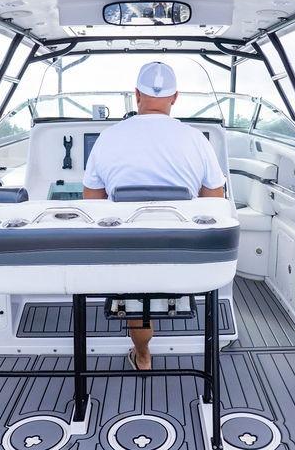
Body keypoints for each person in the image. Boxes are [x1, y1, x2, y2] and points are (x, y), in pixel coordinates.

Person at [83, 61, 226, 370]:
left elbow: (91, 205)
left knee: (135, 280)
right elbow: (215, 205)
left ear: (137, 94)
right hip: (185, 261)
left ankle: (143, 354)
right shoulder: (197, 140)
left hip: (127, 258)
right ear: (175, 97)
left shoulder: (107, 138)